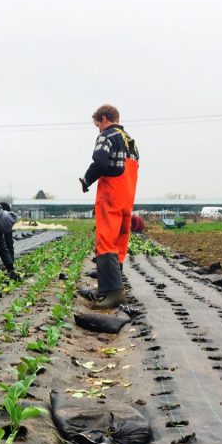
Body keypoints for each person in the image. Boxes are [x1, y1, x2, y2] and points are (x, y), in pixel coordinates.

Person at [79, 104, 140, 308]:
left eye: (98, 124)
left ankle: (113, 293)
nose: (98, 129)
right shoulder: (131, 141)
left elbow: (100, 163)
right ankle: (108, 288)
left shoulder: (107, 136)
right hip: (127, 199)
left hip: (111, 198)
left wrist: (87, 180)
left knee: (105, 243)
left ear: (104, 119)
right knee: (119, 244)